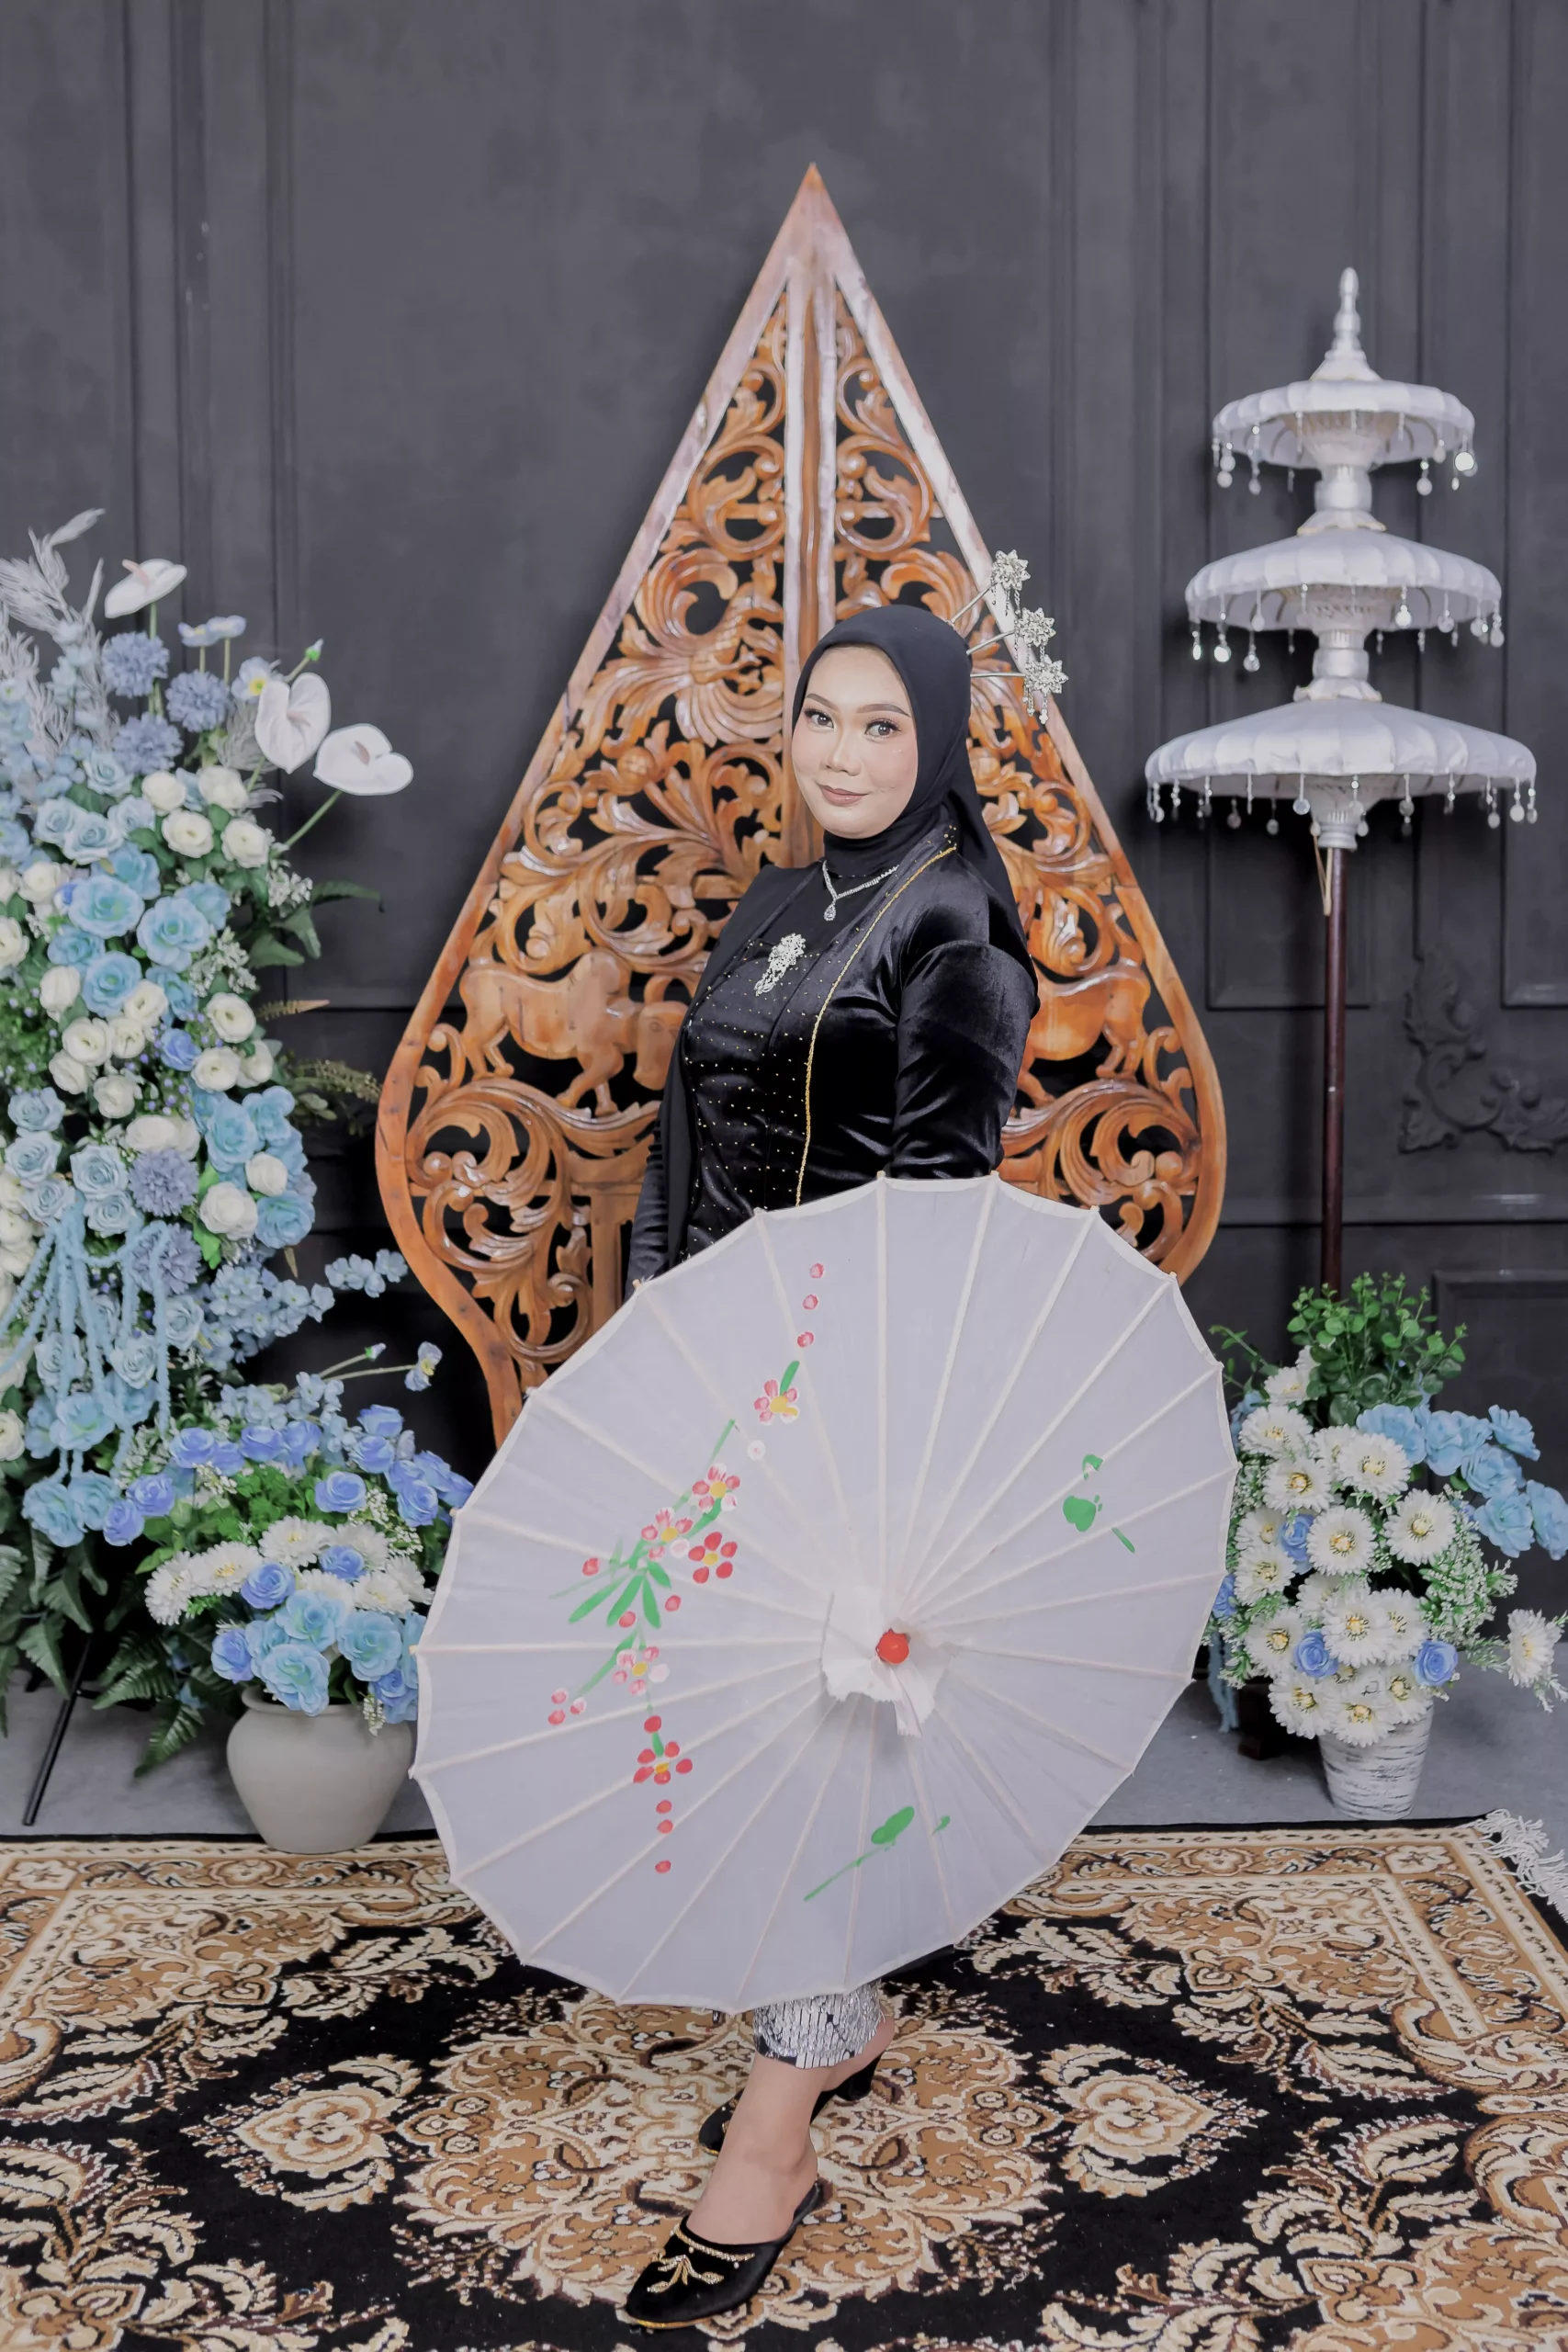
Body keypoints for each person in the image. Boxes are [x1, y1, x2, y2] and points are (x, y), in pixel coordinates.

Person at [621, 601, 1036, 2329]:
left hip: (854, 1387)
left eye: (881, 725)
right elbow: (685, 1127)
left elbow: (940, 1207)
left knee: (814, 1738)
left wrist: (823, 1401)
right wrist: (656, 1329)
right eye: (819, 717)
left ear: (934, 741)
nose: (843, 752)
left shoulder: (956, 927)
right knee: (725, 1714)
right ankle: (843, 2015)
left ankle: (774, 2132)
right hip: (718, 1360)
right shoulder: (782, 896)